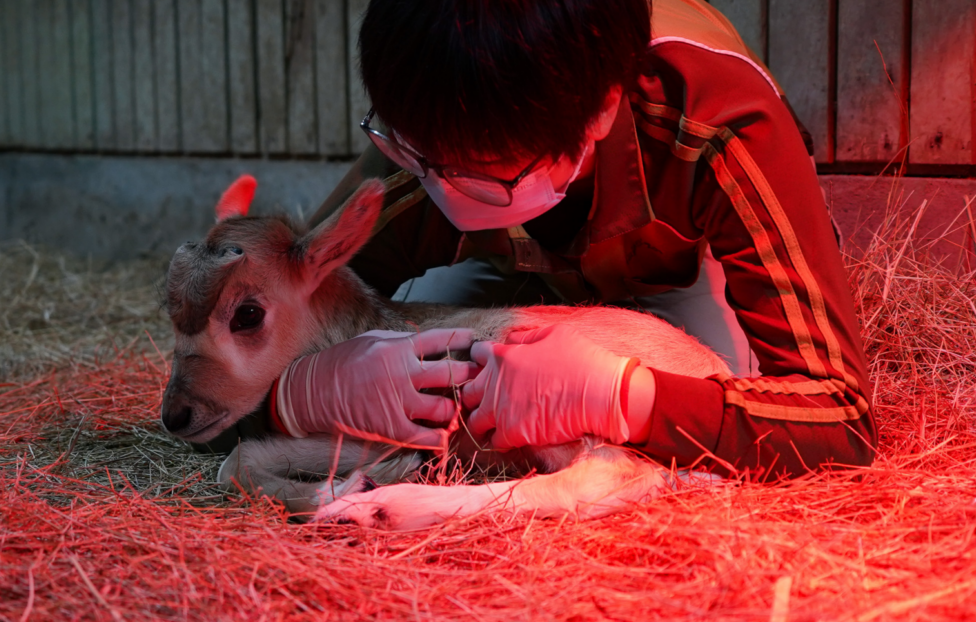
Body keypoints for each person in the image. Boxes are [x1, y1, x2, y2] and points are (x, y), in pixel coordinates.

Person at [265, 0, 877, 480]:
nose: (440, 186)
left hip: (683, 272)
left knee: (696, 445)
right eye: (419, 155)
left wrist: (625, 398)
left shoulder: (718, 123)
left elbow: (838, 417)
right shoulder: (420, 145)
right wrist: (302, 393)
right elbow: (261, 315)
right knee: (408, 361)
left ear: (603, 110)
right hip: (512, 275)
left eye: (485, 172)